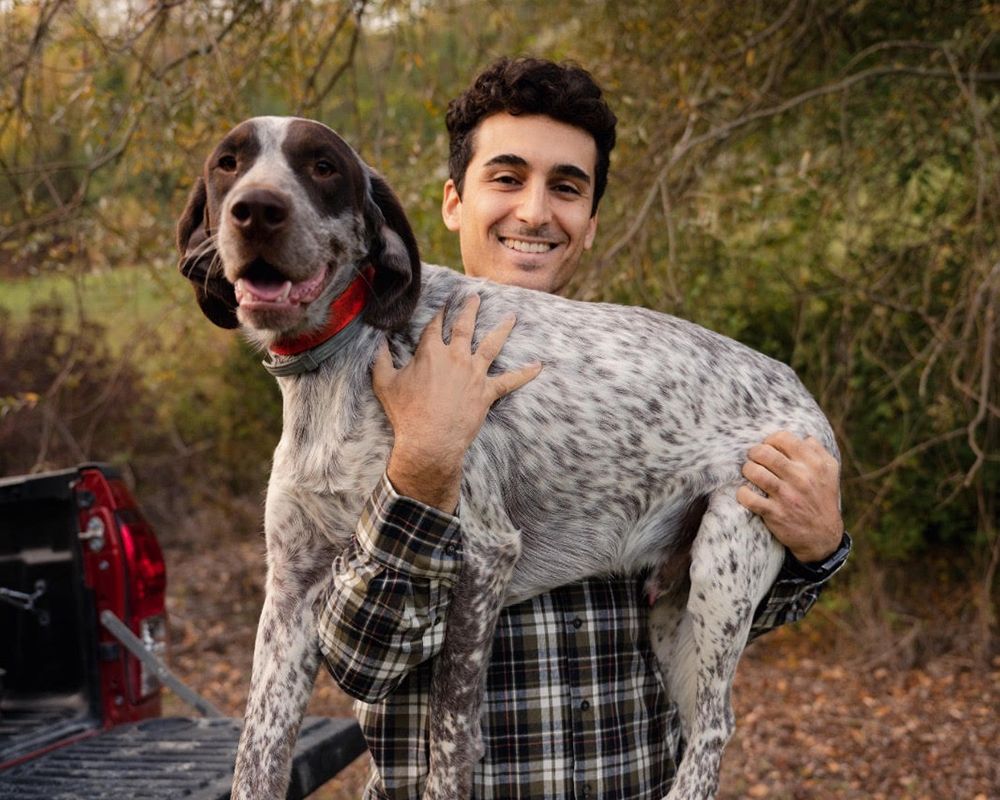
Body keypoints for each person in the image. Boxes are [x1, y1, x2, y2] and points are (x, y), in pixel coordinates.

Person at [317, 56, 850, 799]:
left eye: (566, 188)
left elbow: (716, 619)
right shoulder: (367, 380)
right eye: (506, 178)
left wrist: (815, 550)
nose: (536, 212)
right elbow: (357, 659)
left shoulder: (656, 382)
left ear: (591, 224)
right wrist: (422, 465)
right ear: (450, 202)